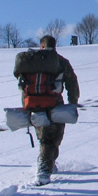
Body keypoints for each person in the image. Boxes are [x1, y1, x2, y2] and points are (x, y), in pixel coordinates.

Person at [14, 35, 79, 186]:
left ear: (41, 45)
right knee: (52, 137)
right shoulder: (60, 61)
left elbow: (21, 83)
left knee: (43, 134)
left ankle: (48, 162)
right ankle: (44, 170)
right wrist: (72, 103)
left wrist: (26, 103)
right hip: (53, 103)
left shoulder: (30, 61)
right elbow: (72, 83)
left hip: (32, 104)